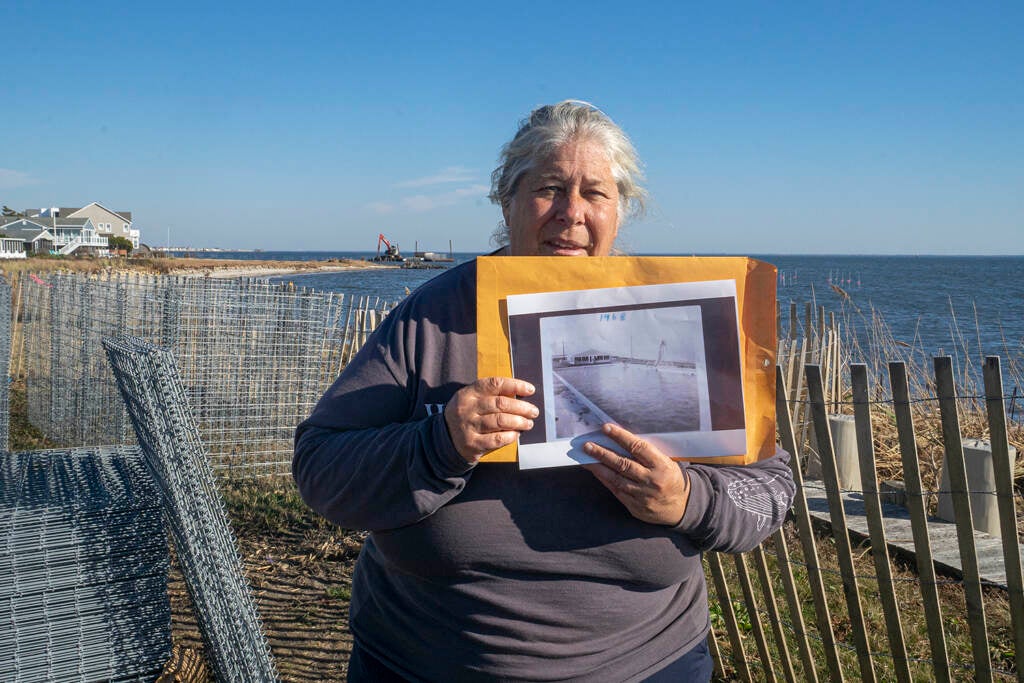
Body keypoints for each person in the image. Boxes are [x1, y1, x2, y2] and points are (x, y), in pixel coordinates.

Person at [293, 100, 795, 682]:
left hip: (644, 664)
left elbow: (771, 489)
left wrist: (687, 500)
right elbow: (321, 470)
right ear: (507, 201)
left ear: (622, 209)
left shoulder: (679, 312)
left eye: (595, 193)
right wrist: (439, 443)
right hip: (424, 662)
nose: (572, 213)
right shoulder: (432, 317)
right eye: (550, 187)